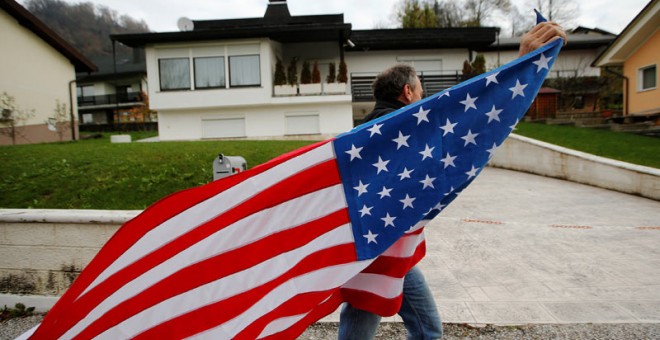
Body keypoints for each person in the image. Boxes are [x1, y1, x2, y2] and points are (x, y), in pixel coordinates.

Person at [338, 21, 567, 340]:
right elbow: (467, 116)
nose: (424, 97)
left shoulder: (363, 131)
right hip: (381, 251)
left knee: (423, 328)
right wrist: (522, 66)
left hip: (385, 248)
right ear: (408, 93)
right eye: (421, 91)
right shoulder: (402, 127)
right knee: (412, 328)